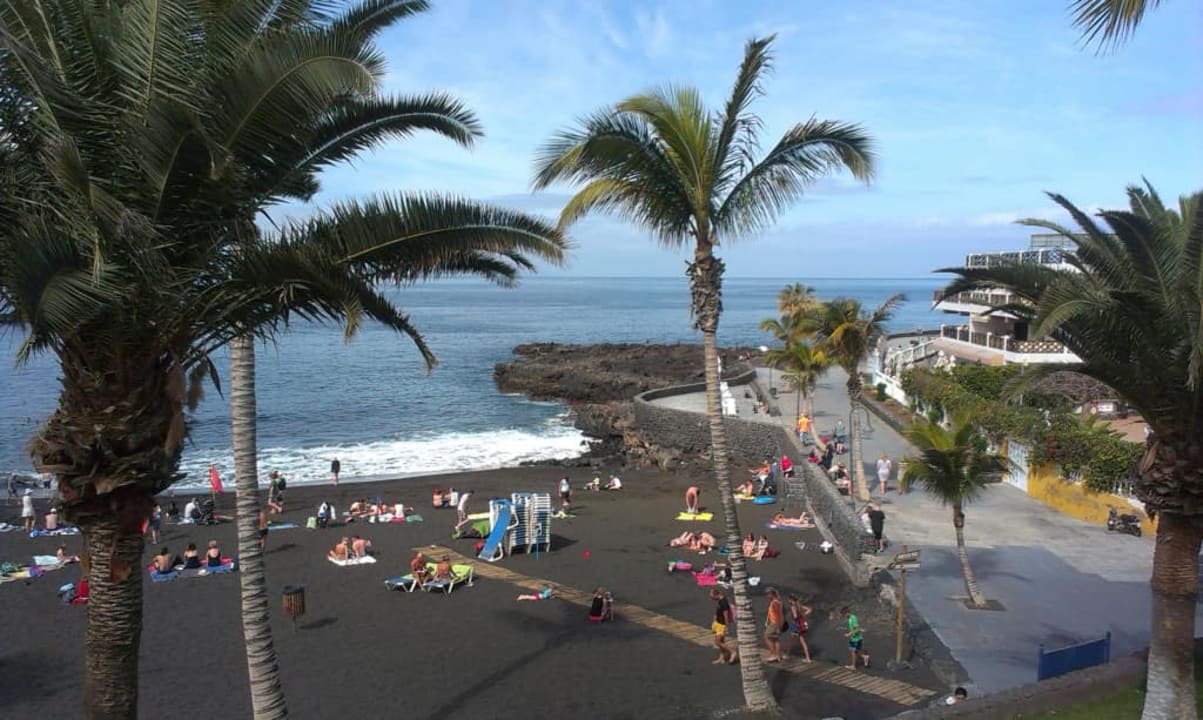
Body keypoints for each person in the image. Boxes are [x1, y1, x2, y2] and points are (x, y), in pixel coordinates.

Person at [710, 588, 737, 664]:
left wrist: (726, 627)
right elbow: (718, 611)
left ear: (716, 595)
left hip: (722, 625)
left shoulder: (723, 602)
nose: (711, 598)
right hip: (718, 623)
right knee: (721, 642)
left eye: (712, 596)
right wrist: (715, 620)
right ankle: (721, 658)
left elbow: (726, 615)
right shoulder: (720, 600)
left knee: (718, 642)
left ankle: (732, 651)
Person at [783, 594, 813, 662]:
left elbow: (795, 616)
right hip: (802, 623)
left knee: (792, 640)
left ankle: (787, 655)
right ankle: (807, 658)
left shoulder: (793, 606)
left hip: (796, 624)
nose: (788, 601)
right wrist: (804, 614)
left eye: (789, 599)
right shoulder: (799, 605)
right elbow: (810, 609)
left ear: (791, 600)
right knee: (800, 640)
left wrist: (795, 618)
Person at [842, 606, 870, 670]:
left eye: (844, 614)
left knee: (852, 651)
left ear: (847, 612)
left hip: (855, 639)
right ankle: (864, 657)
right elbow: (857, 628)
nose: (844, 616)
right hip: (857, 638)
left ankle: (853, 666)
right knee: (856, 651)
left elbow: (857, 629)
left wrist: (849, 634)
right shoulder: (850, 618)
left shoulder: (853, 618)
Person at [763, 588, 785, 662]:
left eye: (768, 594)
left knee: (766, 637)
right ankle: (778, 656)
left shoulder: (775, 603)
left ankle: (774, 654)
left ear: (772, 594)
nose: (767, 596)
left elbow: (778, 615)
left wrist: (778, 627)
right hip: (776, 623)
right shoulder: (778, 601)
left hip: (774, 623)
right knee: (775, 639)